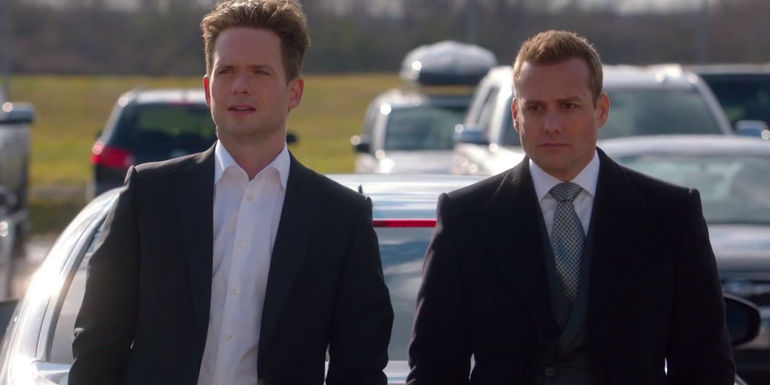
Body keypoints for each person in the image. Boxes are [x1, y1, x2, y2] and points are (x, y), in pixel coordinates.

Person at [70, 1, 393, 384]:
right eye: (227, 71)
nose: (241, 86)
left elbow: (360, 367)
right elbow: (98, 342)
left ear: (294, 92)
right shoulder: (149, 195)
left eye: (260, 72)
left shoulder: (341, 217)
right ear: (209, 89)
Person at [407, 30, 734, 385]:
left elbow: (705, 366)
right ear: (516, 115)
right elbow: (433, 369)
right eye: (535, 108)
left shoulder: (670, 215)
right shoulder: (466, 218)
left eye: (568, 106)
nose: (551, 125)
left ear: (601, 110)